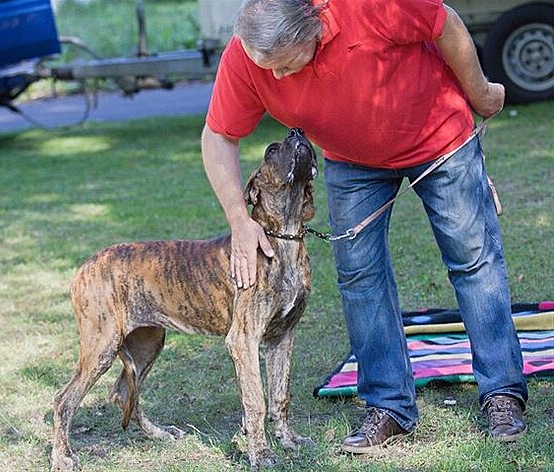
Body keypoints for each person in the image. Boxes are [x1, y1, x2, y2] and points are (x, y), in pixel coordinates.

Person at [201, 0, 528, 453]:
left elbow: (445, 22)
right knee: (359, 277)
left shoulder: (370, 5)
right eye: (265, 67)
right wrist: (239, 220)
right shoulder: (249, 53)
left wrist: (481, 93)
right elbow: (219, 134)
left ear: (312, 29)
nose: (273, 79)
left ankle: (502, 394)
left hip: (439, 136)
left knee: (474, 260)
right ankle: (389, 406)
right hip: (351, 160)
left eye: (282, 65)